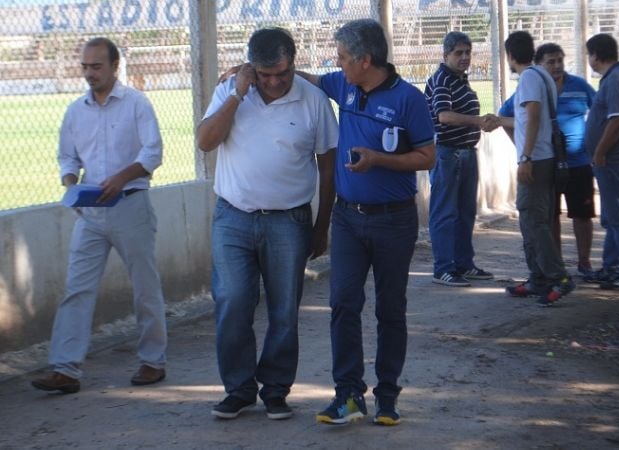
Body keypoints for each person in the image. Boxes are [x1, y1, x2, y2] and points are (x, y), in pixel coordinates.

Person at [296, 19, 435, 426]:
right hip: (347, 219)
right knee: (342, 304)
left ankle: (387, 396)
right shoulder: (345, 86)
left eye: (341, 58)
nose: (335, 65)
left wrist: (380, 161)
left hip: (394, 221)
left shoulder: (409, 99)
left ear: (365, 60)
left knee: (390, 309)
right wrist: (263, 70)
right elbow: (311, 79)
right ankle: (348, 395)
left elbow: (428, 157)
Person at [196, 28, 338, 420]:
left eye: (282, 73)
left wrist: (321, 225)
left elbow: (328, 170)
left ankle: (276, 390)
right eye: (264, 74)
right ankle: (238, 389)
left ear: (294, 62)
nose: (274, 82)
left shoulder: (313, 100)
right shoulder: (231, 91)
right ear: (250, 69)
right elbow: (206, 142)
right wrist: (237, 95)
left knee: (284, 310)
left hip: (289, 222)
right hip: (233, 218)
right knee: (233, 302)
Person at [31, 37, 168, 394]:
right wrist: (70, 182)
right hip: (90, 211)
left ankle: (153, 362)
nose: (89, 73)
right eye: (85, 67)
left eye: (96, 66)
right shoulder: (75, 111)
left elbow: (153, 152)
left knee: (144, 286)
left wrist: (120, 179)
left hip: (131, 205)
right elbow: (67, 157)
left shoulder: (137, 104)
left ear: (114, 67)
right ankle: (65, 369)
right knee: (77, 287)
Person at [498, 43, 597, 277]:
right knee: (548, 217)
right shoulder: (536, 85)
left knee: (582, 215)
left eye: (560, 60)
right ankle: (555, 265)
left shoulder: (578, 86)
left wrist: (594, 145)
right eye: (551, 61)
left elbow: (599, 111)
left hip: (578, 162)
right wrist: (524, 150)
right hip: (549, 162)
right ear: (540, 64)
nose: (557, 66)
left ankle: (584, 263)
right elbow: (508, 116)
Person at [502, 31, 575, 305]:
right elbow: (527, 120)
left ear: (509, 55)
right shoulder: (541, 75)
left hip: (537, 159)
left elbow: (532, 115)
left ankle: (559, 277)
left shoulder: (530, 78)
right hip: (542, 156)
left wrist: (526, 157)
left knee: (534, 220)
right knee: (530, 220)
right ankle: (539, 278)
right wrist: (498, 122)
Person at [424, 31, 500, 287]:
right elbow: (444, 116)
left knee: (465, 213)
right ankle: (443, 268)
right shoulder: (443, 79)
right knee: (445, 213)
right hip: (448, 153)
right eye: (459, 53)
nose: (465, 57)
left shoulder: (459, 79)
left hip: (466, 152)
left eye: (468, 52)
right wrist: (478, 121)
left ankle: (463, 264)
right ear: (446, 55)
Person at [582, 33, 619, 290]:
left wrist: (600, 152)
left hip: (613, 158)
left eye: (590, 55)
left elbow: (617, 120)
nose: (589, 60)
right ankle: (612, 267)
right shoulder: (615, 78)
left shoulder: (617, 80)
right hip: (611, 158)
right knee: (611, 216)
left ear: (596, 54)